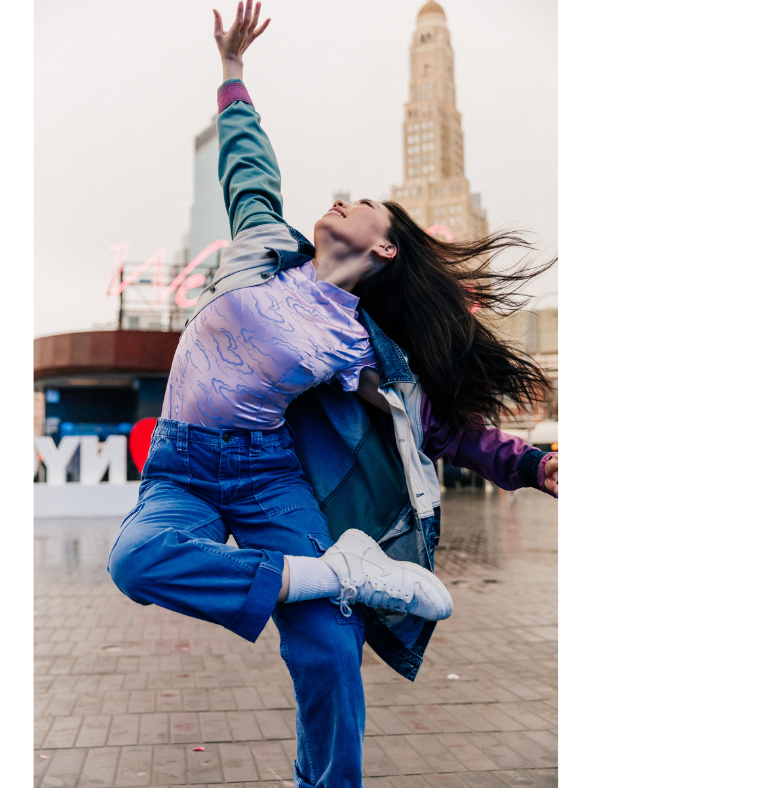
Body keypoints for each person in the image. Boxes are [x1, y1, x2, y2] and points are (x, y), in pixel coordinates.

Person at [108, 3, 558, 785]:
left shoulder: (364, 345)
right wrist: (233, 74)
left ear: (383, 244)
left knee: (327, 648)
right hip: (181, 469)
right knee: (135, 561)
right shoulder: (262, 242)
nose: (340, 199)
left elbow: (439, 428)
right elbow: (247, 167)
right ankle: (337, 575)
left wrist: (529, 464)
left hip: (266, 476)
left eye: (360, 202)